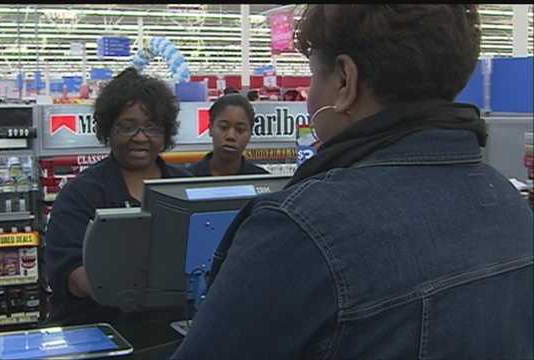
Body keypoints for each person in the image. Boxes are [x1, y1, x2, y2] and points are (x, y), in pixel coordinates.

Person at [172, 5, 533, 359]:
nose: (311, 99)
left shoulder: (300, 231)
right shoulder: (512, 208)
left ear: (345, 80)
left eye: (314, 76)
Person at [44, 67, 192, 328]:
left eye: (152, 128)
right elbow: (71, 274)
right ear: (108, 129)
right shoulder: (80, 194)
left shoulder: (188, 188)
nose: (140, 138)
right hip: (99, 331)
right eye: (127, 127)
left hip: (172, 330)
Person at [187, 94, 269, 176]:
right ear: (210, 128)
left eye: (240, 130)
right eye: (224, 127)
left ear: (250, 134)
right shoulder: (186, 178)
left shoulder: (263, 179)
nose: (231, 136)